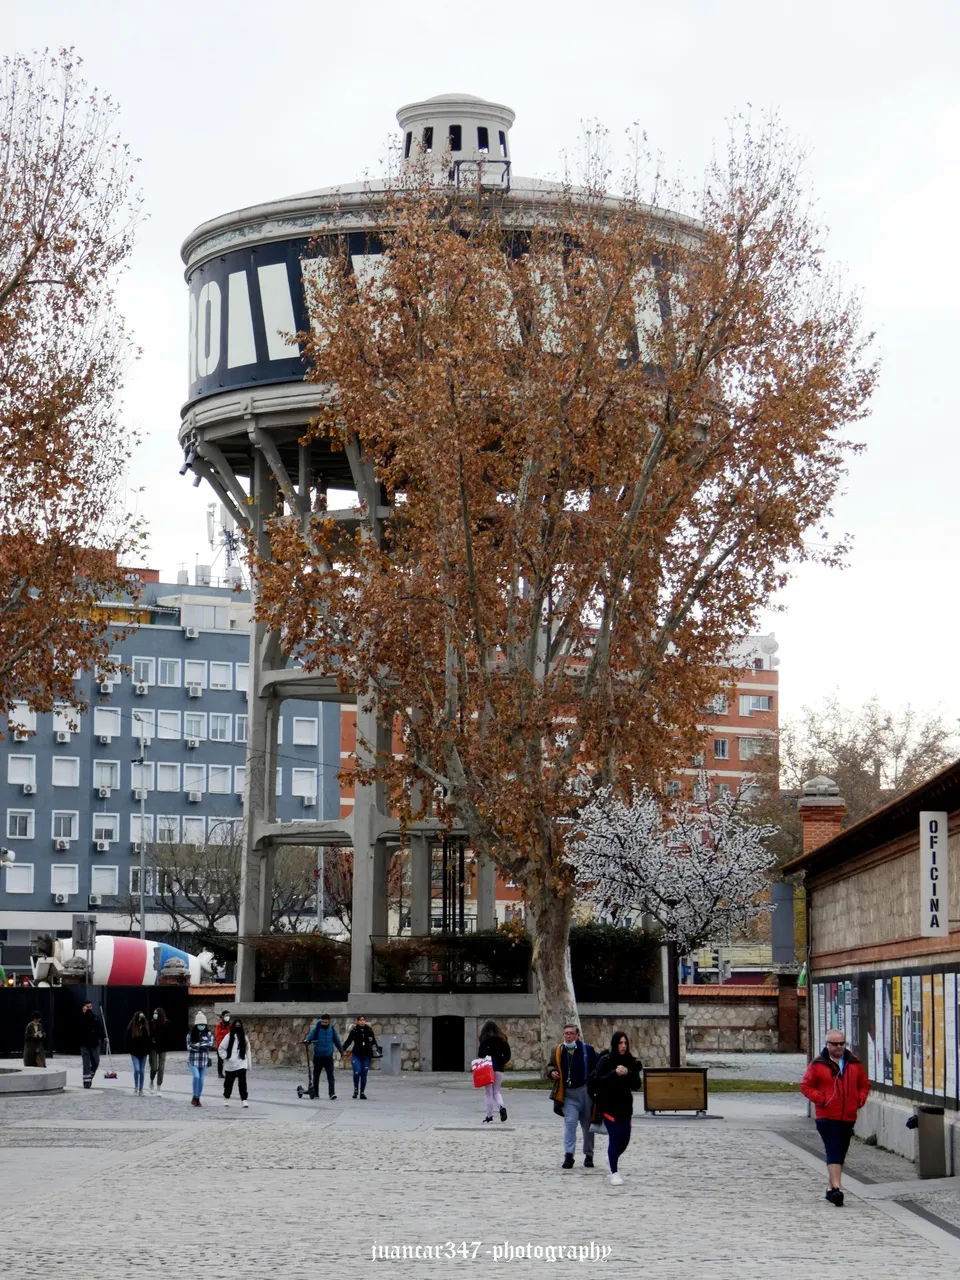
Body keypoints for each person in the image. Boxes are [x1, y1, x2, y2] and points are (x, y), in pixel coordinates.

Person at [800, 1027, 870, 1206]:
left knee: (841, 1151)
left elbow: (864, 1084)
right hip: (827, 1115)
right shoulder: (818, 1064)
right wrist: (821, 1099)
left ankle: (831, 1189)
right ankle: (838, 1189)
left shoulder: (853, 1063)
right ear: (827, 1044)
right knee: (833, 1148)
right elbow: (806, 1086)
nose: (839, 1047)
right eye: (835, 1044)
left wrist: (859, 1099)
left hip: (848, 1115)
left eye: (841, 1043)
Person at [590, 1031, 642, 1186]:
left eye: (625, 1043)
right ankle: (614, 1172)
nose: (623, 1046)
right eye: (620, 1043)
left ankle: (611, 1156)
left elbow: (637, 1085)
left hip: (625, 1106)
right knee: (615, 1136)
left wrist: (628, 1073)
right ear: (614, 1044)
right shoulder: (606, 1061)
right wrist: (614, 1073)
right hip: (609, 1106)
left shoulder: (631, 1062)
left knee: (625, 1139)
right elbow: (598, 1082)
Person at [546, 1022, 598, 1169]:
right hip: (569, 1094)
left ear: (577, 1035)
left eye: (571, 1034)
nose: (568, 1036)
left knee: (587, 1125)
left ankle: (589, 1155)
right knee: (570, 1122)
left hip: (586, 1092)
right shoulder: (558, 1050)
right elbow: (550, 1065)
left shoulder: (587, 1050)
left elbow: (598, 1068)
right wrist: (551, 1072)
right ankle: (569, 1155)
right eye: (566, 1034)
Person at [477, 1020, 511, 1123]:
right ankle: (501, 1107)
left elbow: (481, 1054)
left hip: (487, 1069)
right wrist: (501, 1061)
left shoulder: (484, 1039)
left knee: (488, 1093)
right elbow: (508, 1054)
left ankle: (489, 1116)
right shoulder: (502, 1039)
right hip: (499, 1068)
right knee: (496, 1091)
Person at [304, 1013, 344, 1100]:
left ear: (329, 1022)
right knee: (316, 1075)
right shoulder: (317, 1028)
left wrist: (342, 1051)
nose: (324, 1024)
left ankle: (332, 1093)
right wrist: (307, 1041)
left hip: (328, 1057)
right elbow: (310, 1036)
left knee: (330, 1076)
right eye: (323, 1022)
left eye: (326, 1022)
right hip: (318, 1056)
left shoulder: (332, 1030)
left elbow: (337, 1041)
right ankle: (316, 1093)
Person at [342, 1014, 380, 1100]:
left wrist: (377, 1051)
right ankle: (356, 1089)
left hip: (366, 1055)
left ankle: (362, 1092)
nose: (362, 1022)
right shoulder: (354, 1030)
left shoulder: (369, 1030)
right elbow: (349, 1041)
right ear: (357, 1021)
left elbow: (374, 1041)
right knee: (357, 1071)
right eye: (360, 1020)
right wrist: (342, 1050)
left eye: (363, 1020)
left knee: (364, 1073)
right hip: (356, 1054)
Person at [220, 1017, 250, 1107]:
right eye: (236, 1026)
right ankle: (226, 1098)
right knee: (229, 1082)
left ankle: (244, 1099)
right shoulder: (228, 1036)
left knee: (242, 1082)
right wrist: (226, 1057)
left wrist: (248, 1063)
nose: (237, 1027)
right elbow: (221, 1048)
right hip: (230, 1063)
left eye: (239, 1026)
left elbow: (248, 1050)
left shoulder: (244, 1037)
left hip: (241, 1062)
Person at [186, 1011, 215, 1107]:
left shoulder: (209, 1034)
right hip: (192, 1060)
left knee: (201, 1080)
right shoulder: (190, 1035)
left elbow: (209, 1045)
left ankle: (197, 1098)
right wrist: (201, 1046)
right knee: (196, 1077)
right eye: (199, 1024)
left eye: (203, 1024)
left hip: (204, 1060)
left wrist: (198, 1045)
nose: (201, 1026)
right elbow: (189, 1047)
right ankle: (195, 1095)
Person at [149, 1007, 174, 1096]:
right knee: (154, 1067)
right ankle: (151, 1081)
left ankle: (159, 1087)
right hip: (154, 1047)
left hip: (163, 1047)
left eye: (156, 1013)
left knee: (161, 1068)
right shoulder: (151, 1023)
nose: (154, 1015)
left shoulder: (166, 1023)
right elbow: (149, 1035)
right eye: (154, 1013)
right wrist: (152, 1040)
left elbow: (169, 1036)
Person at [126, 1011, 151, 1096]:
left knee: (142, 1071)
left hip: (143, 1052)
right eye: (140, 1017)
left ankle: (141, 1089)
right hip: (134, 1052)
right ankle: (136, 1087)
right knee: (137, 1069)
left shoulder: (145, 1027)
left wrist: (148, 1050)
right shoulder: (132, 1027)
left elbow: (148, 1039)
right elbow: (128, 1039)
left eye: (143, 1017)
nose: (141, 1019)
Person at [78, 1001, 102, 1088]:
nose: (89, 1009)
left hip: (94, 1042)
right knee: (86, 1061)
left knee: (96, 1060)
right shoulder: (81, 1016)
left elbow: (99, 1028)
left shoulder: (95, 1016)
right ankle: (87, 1081)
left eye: (90, 1007)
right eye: (87, 1007)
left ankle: (91, 1073)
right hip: (84, 1042)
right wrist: (83, 1014)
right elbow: (79, 1025)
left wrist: (104, 1037)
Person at [213, 1010, 232, 1079]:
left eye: (229, 1015)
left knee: (229, 1059)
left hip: (229, 1045)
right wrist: (223, 1044)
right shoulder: (219, 1026)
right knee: (220, 1060)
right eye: (226, 1015)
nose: (228, 1017)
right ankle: (220, 1073)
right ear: (223, 1016)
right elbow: (218, 1036)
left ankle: (229, 1072)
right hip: (220, 1046)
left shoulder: (230, 1026)